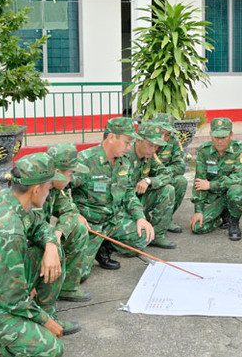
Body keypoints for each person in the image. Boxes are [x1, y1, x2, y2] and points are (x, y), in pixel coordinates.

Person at [0, 152, 81, 357]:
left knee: (53, 252)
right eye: (49, 187)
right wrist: (44, 321)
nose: (50, 192)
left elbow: (39, 225)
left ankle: (35, 319)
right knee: (50, 349)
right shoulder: (7, 231)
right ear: (37, 189)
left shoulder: (10, 198)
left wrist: (50, 245)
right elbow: (11, 300)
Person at [73, 117, 155, 272]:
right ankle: (95, 245)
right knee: (79, 274)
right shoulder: (85, 161)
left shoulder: (124, 162)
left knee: (143, 236)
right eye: (127, 141)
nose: (129, 147)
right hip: (91, 224)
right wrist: (72, 213)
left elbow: (129, 192)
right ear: (111, 137)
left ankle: (105, 244)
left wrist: (140, 217)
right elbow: (59, 189)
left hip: (114, 220)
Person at [43, 143, 93, 302]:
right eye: (70, 173)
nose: (71, 178)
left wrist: (58, 233)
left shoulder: (55, 189)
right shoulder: (34, 190)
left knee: (78, 228)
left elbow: (70, 211)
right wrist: (51, 242)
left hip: (43, 238)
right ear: (57, 173)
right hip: (22, 249)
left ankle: (67, 288)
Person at [189, 117, 242, 241]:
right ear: (211, 135)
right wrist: (198, 210)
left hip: (230, 193)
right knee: (197, 228)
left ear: (231, 135)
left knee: (237, 191)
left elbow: (239, 178)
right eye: (216, 137)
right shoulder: (204, 151)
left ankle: (233, 222)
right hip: (214, 198)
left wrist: (211, 185)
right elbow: (199, 181)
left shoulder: (239, 150)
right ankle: (221, 214)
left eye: (223, 137)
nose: (219, 141)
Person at [124, 121, 177, 249]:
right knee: (135, 245)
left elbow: (166, 174)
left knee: (168, 189)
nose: (154, 150)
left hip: (140, 199)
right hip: (125, 204)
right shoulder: (125, 156)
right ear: (138, 140)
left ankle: (157, 235)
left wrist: (149, 181)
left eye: (156, 147)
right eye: (150, 145)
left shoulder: (150, 156)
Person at [151, 113, 188, 233]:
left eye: (167, 134)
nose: (163, 137)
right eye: (161, 132)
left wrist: (164, 173)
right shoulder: (146, 140)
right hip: (146, 180)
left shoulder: (173, 141)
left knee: (180, 182)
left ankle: (167, 218)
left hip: (165, 178)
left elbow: (180, 166)